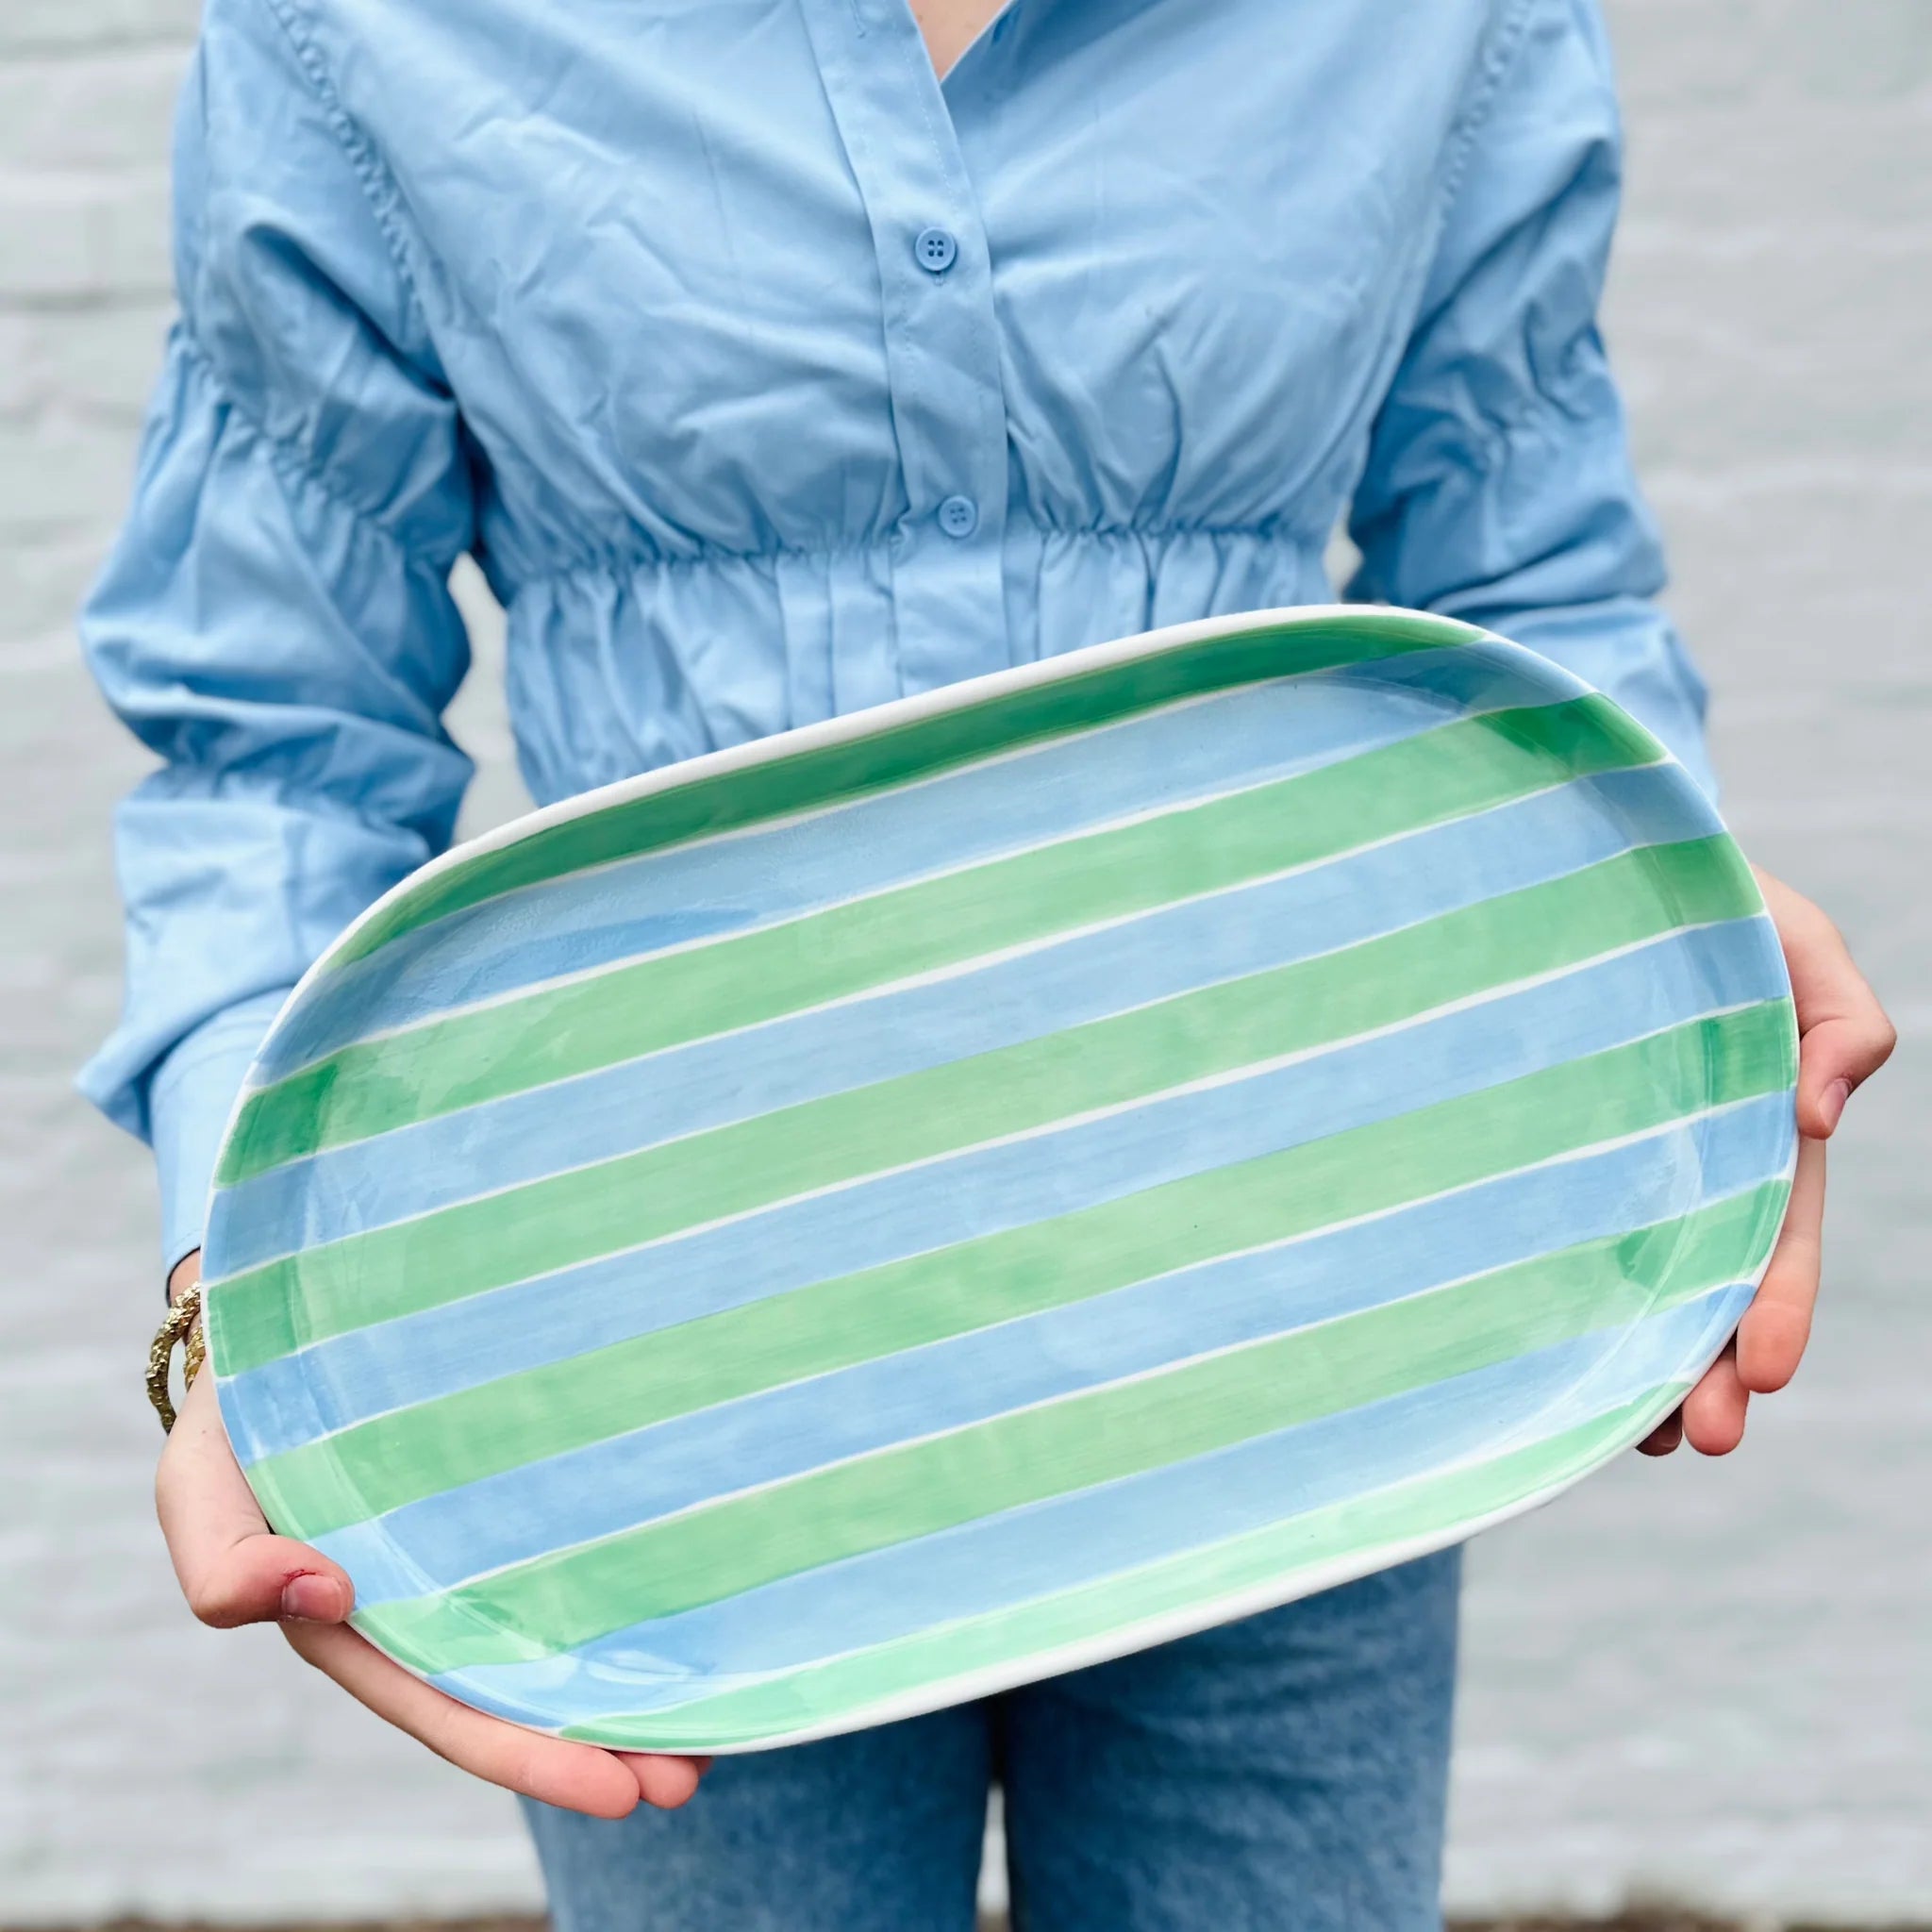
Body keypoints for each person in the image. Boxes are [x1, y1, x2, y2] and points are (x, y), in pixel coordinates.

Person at [79, 0, 1894, 1926]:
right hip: (667, 1402)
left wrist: (1668, 944)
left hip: (1302, 1315)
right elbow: (276, 730)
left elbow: (1530, 582)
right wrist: (230, 1309)